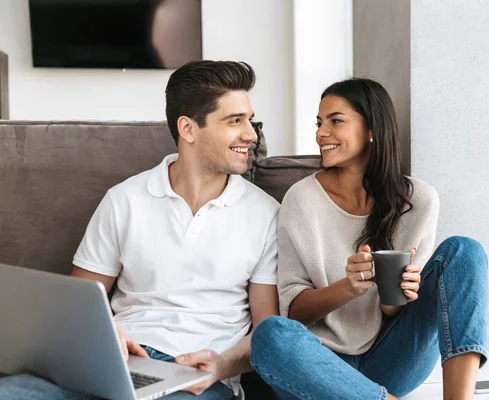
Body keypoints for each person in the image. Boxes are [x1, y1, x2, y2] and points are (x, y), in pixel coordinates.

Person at [0, 61, 280, 400]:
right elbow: (74, 307)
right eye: (235, 121)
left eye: (249, 119)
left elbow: (267, 332)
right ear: (188, 129)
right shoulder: (124, 200)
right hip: (118, 361)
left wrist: (222, 365)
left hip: (198, 379)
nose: (251, 134)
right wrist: (107, 336)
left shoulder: (266, 214)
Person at [249, 78, 488, 400]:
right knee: (271, 334)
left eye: (335, 121)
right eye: (319, 123)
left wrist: (401, 291)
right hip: (318, 367)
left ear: (372, 128)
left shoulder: (418, 200)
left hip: (390, 360)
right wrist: (347, 287)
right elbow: (293, 311)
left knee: (465, 251)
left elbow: (393, 311)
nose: (321, 133)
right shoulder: (302, 199)